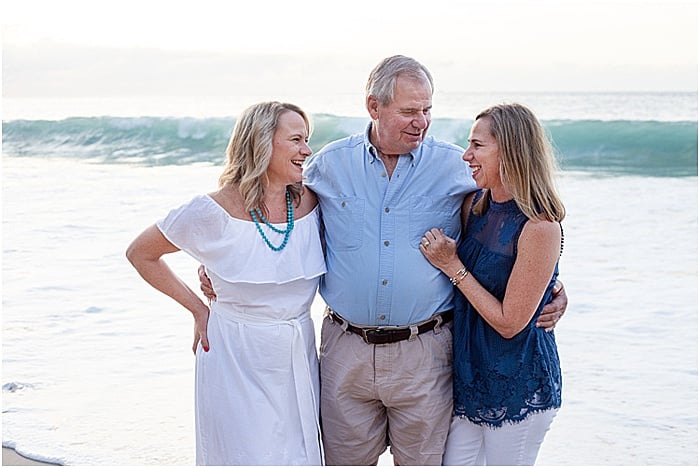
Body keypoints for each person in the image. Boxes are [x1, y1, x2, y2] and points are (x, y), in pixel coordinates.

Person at [199, 56, 568, 465]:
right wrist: (220, 263)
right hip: (345, 350)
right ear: (374, 107)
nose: (421, 121)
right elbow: (267, 205)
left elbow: (518, 221)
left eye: (427, 110)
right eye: (409, 111)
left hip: (426, 353)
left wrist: (553, 286)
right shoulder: (327, 166)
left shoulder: (456, 167)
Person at [126, 101, 325, 465]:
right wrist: (198, 309)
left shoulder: (313, 202)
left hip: (297, 350)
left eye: (307, 140)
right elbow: (141, 253)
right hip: (235, 354)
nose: (306, 150)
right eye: (296, 139)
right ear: (262, 142)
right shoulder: (211, 210)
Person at [420, 103, 565, 465]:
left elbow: (510, 322)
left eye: (477, 146)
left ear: (511, 150)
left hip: (519, 382)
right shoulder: (475, 206)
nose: (466, 155)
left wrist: (452, 266)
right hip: (471, 380)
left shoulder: (540, 227)